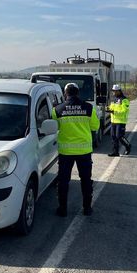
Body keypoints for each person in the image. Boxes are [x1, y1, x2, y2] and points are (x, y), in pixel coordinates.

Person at [52, 83, 100, 217]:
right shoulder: (89, 108)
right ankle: (87, 209)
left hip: (65, 152)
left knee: (63, 181)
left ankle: (62, 209)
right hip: (84, 152)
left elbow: (54, 128)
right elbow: (95, 126)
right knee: (85, 180)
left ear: (65, 93)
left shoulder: (57, 109)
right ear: (78, 93)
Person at [107, 84, 131, 156]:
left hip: (121, 121)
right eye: (113, 91)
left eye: (115, 91)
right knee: (113, 137)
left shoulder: (124, 100)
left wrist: (114, 112)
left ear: (119, 91)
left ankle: (128, 146)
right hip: (113, 121)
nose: (113, 92)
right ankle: (115, 152)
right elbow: (111, 107)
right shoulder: (113, 99)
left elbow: (124, 111)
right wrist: (108, 109)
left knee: (119, 136)